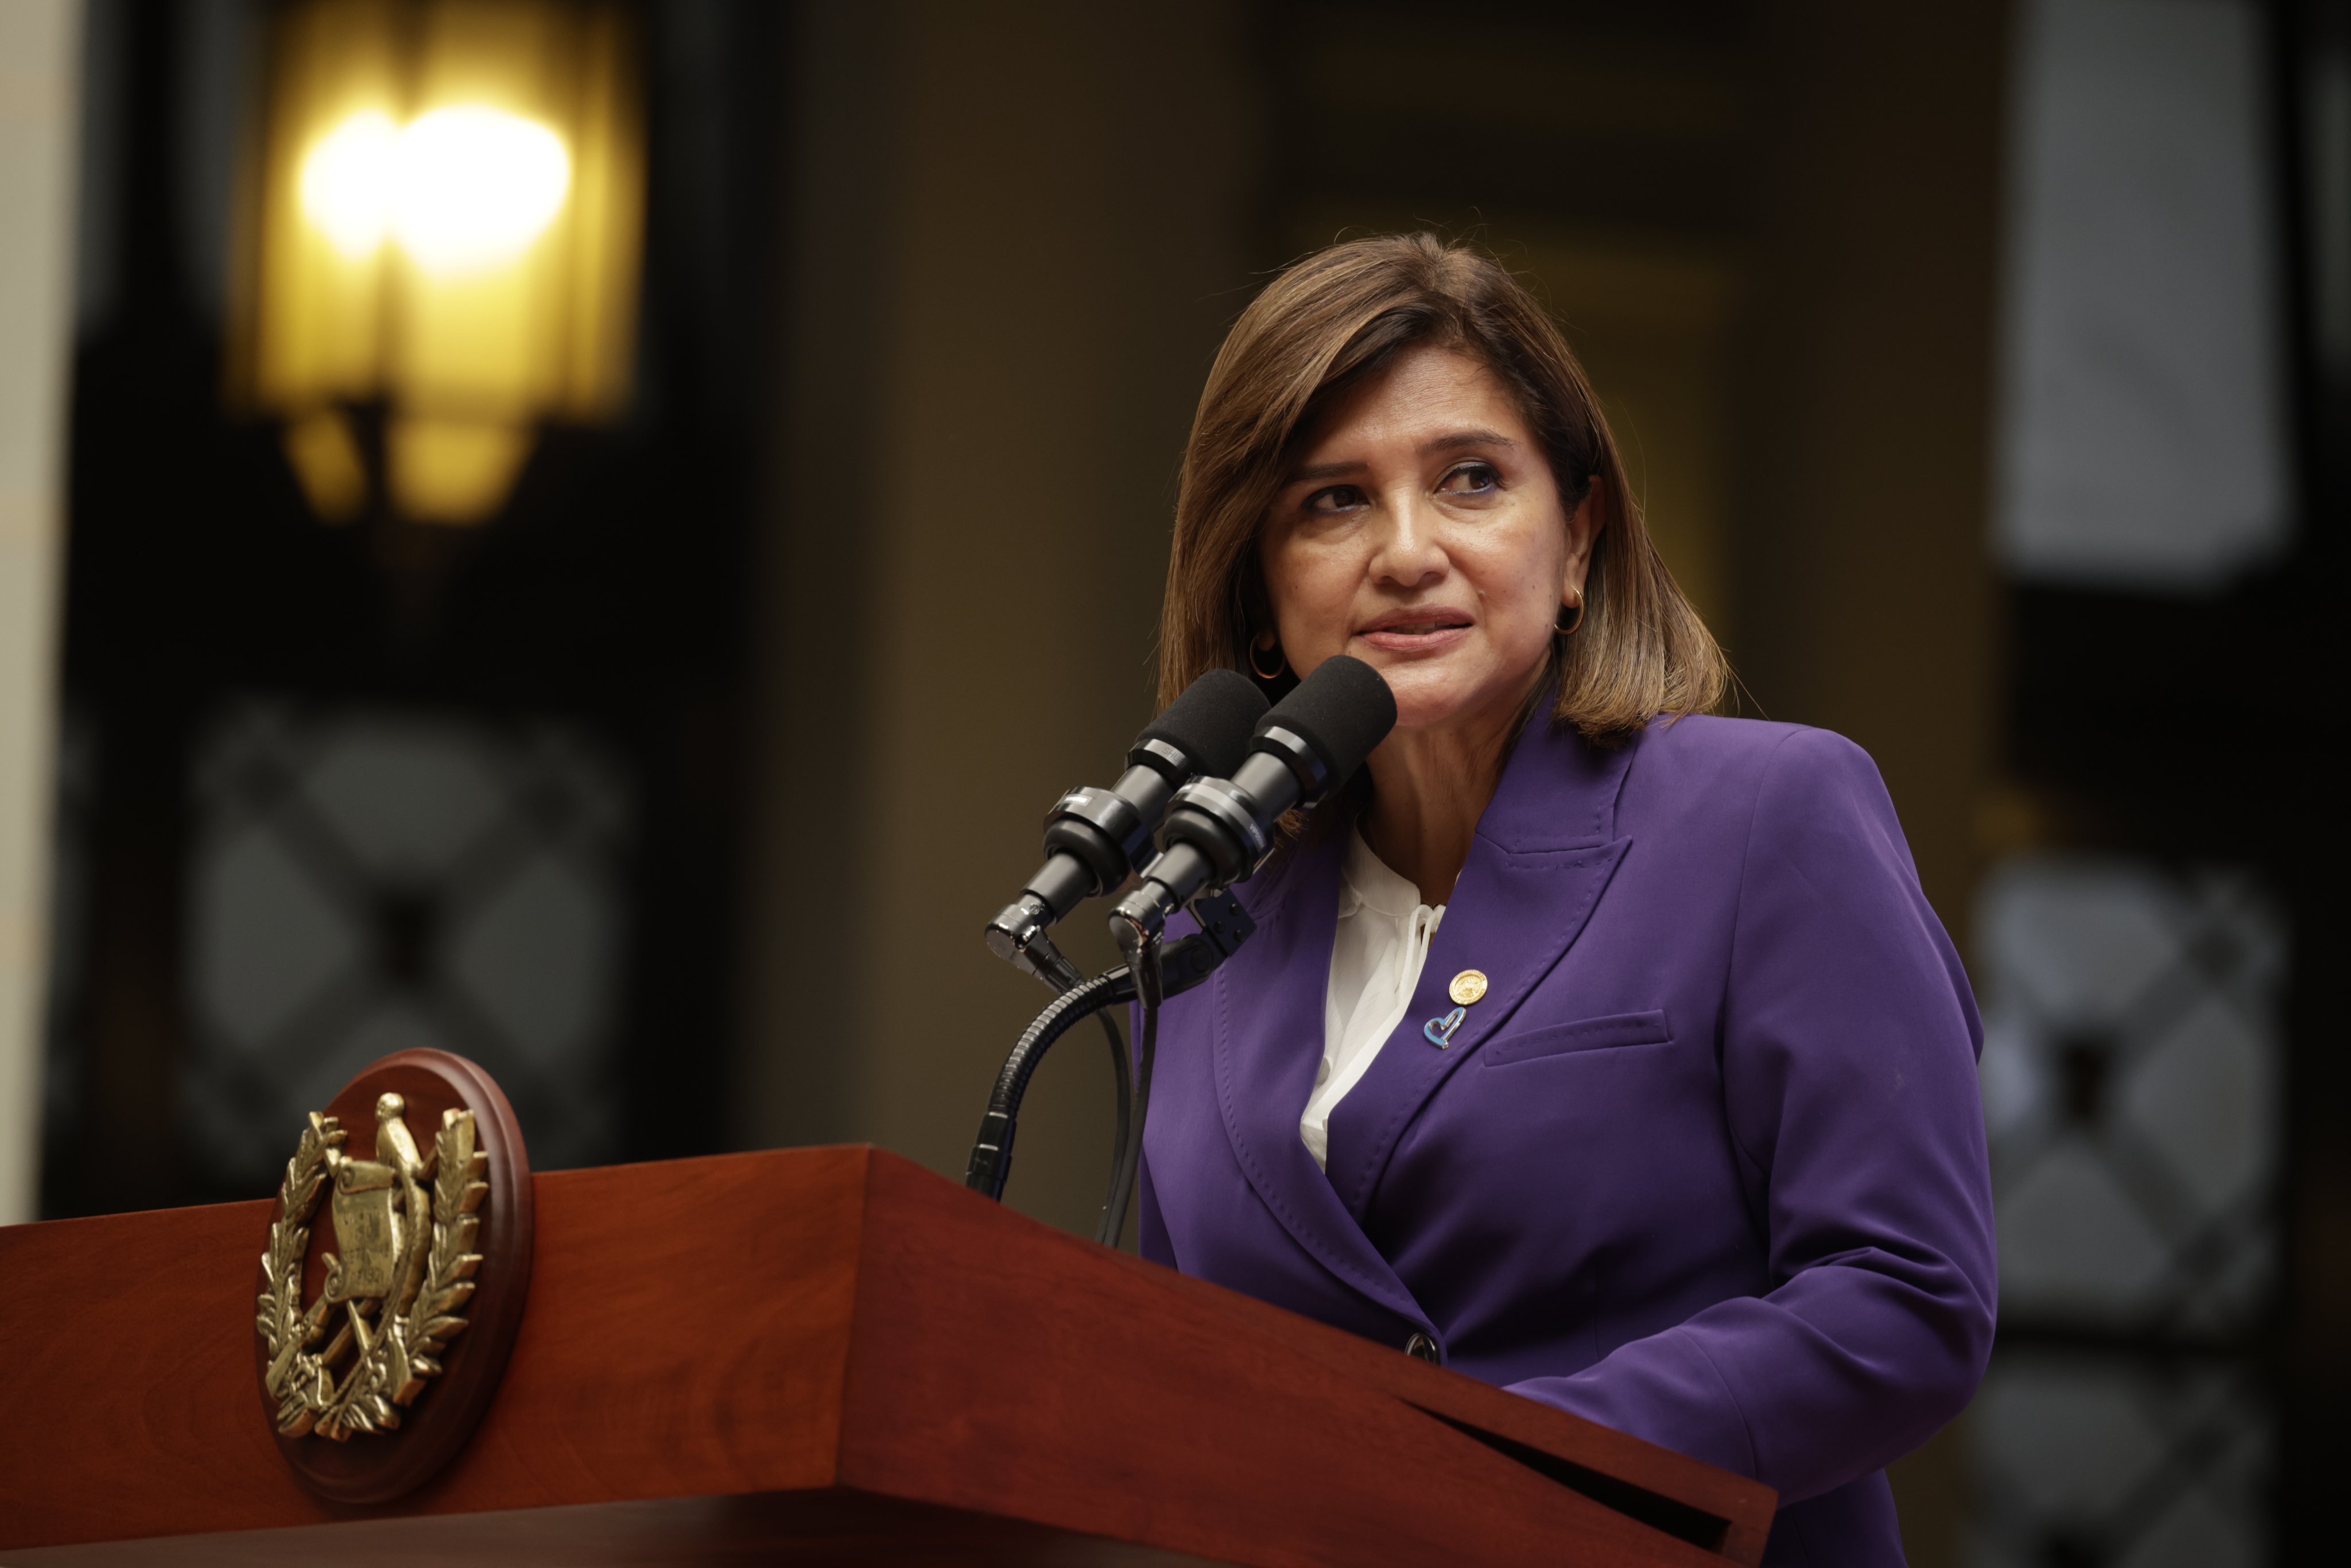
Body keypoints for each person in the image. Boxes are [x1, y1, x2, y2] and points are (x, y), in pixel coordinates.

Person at [1136, 234, 1995, 1566]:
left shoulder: (1766, 816)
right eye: (1333, 501)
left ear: (1578, 536)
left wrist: (1476, 1479)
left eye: (1469, 480)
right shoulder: (1198, 933)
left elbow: (1905, 1296)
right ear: (1260, 584)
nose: (1406, 551)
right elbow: (1164, 1376)